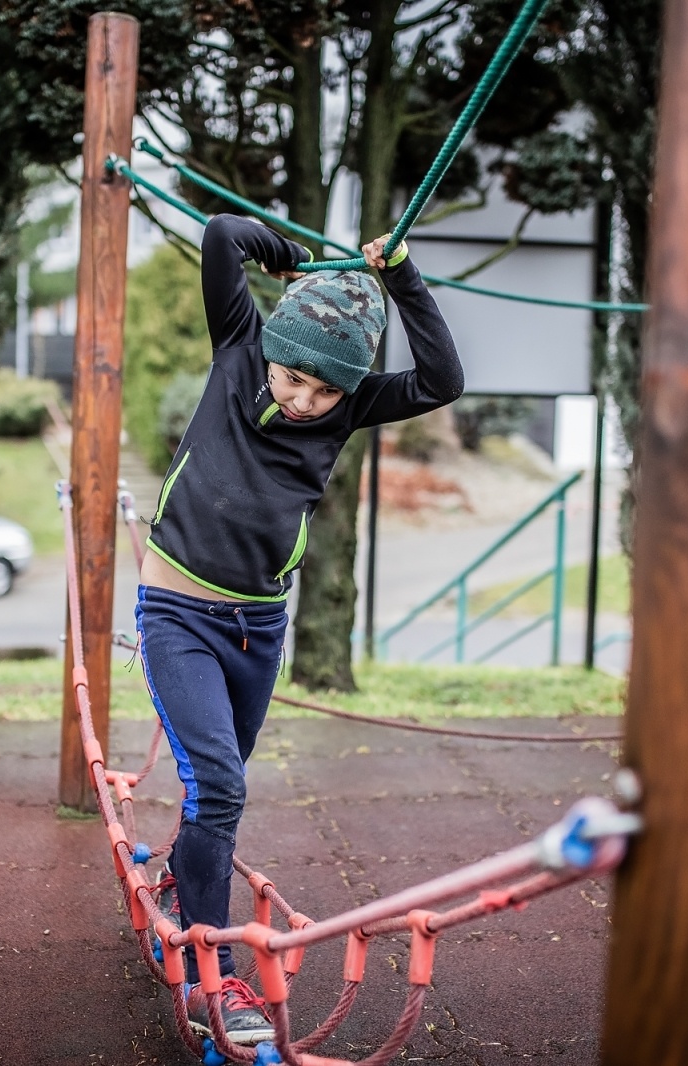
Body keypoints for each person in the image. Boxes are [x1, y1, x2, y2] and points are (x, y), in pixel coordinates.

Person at [137, 213, 463, 1044]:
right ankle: (212, 978)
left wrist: (405, 280)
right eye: (295, 380)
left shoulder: (346, 407)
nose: (304, 399)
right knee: (221, 783)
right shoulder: (241, 342)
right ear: (272, 348)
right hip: (177, 609)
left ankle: (181, 878)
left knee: (220, 783)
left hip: (257, 625)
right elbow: (220, 237)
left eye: (324, 392)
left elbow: (441, 380)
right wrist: (294, 258)